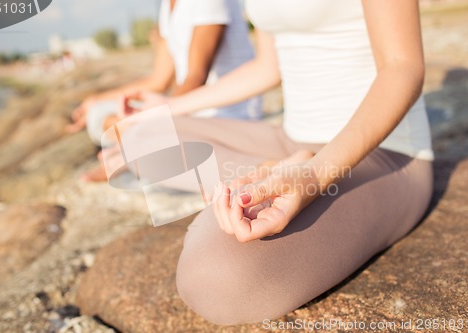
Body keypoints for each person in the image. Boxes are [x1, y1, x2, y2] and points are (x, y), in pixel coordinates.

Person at [137, 0, 434, 325]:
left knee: (212, 278)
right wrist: (169, 106)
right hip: (292, 138)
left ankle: (273, 173)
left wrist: (314, 175)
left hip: (380, 152)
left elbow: (402, 66)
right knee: (138, 140)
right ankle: (273, 169)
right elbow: (268, 67)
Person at [66, 0, 261, 145]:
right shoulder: (168, 7)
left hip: (225, 116)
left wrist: (152, 120)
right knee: (99, 112)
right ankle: (130, 149)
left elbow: (196, 76)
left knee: (118, 129)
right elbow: (158, 80)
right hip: (188, 111)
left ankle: (131, 153)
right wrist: (96, 99)